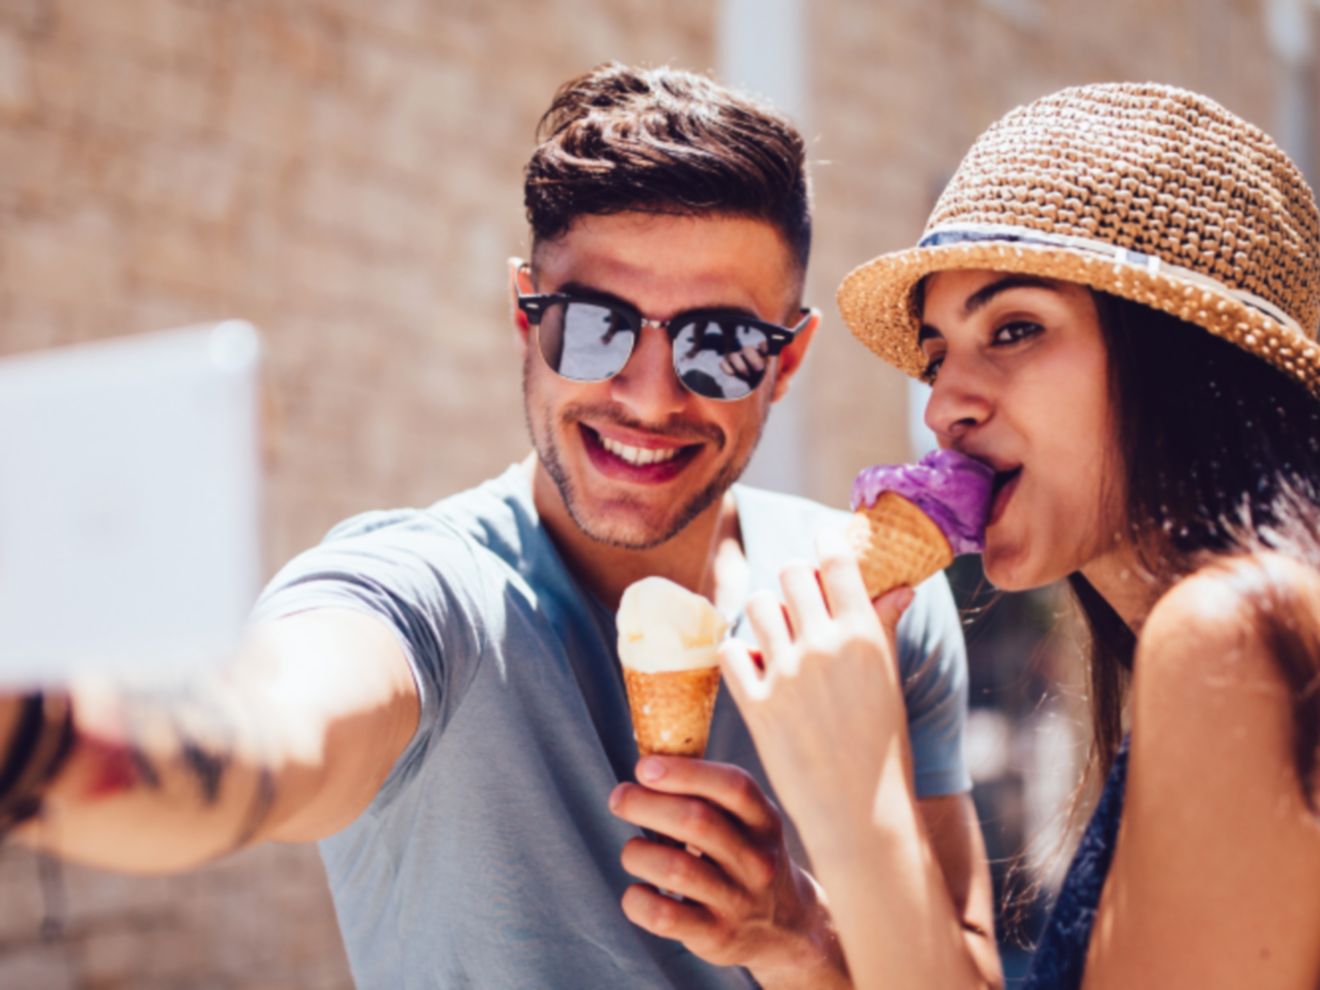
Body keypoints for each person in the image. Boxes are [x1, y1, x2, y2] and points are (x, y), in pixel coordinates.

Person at [0, 63, 996, 989]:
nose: (648, 398)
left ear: (786, 361)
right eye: (595, 323)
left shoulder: (881, 611)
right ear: (527, 315)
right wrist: (42, 741)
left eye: (721, 343)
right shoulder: (425, 591)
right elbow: (272, 735)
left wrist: (801, 944)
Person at [720, 81, 1320, 989]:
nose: (943, 407)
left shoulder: (1230, 636)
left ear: (1179, 355)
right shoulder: (1197, 648)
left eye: (1014, 328)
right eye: (937, 355)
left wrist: (856, 803)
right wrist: (800, 943)